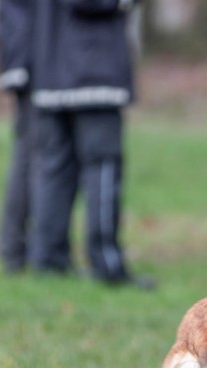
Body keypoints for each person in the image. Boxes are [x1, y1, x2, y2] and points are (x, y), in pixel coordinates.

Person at [28, 0, 153, 289]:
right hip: (92, 70)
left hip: (51, 68)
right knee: (103, 167)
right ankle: (107, 264)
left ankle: (48, 260)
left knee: (54, 169)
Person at [0, 0, 33, 273]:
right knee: (28, 157)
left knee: (31, 156)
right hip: (34, 67)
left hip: (31, 62)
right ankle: (14, 249)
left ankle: (21, 248)